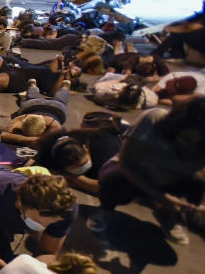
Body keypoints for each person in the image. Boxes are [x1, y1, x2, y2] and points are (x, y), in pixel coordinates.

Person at [88, 101, 205, 245]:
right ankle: (106, 209)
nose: (192, 144)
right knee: (116, 183)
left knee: (197, 186)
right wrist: (168, 201)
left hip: (167, 179)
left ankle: (168, 216)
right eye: (187, 139)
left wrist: (197, 209)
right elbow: (126, 164)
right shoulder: (155, 119)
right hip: (131, 173)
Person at [0, 173, 78, 271]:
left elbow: (47, 253)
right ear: (19, 203)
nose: (43, 227)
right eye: (36, 221)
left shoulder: (67, 210)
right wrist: (9, 273)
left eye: (50, 224)